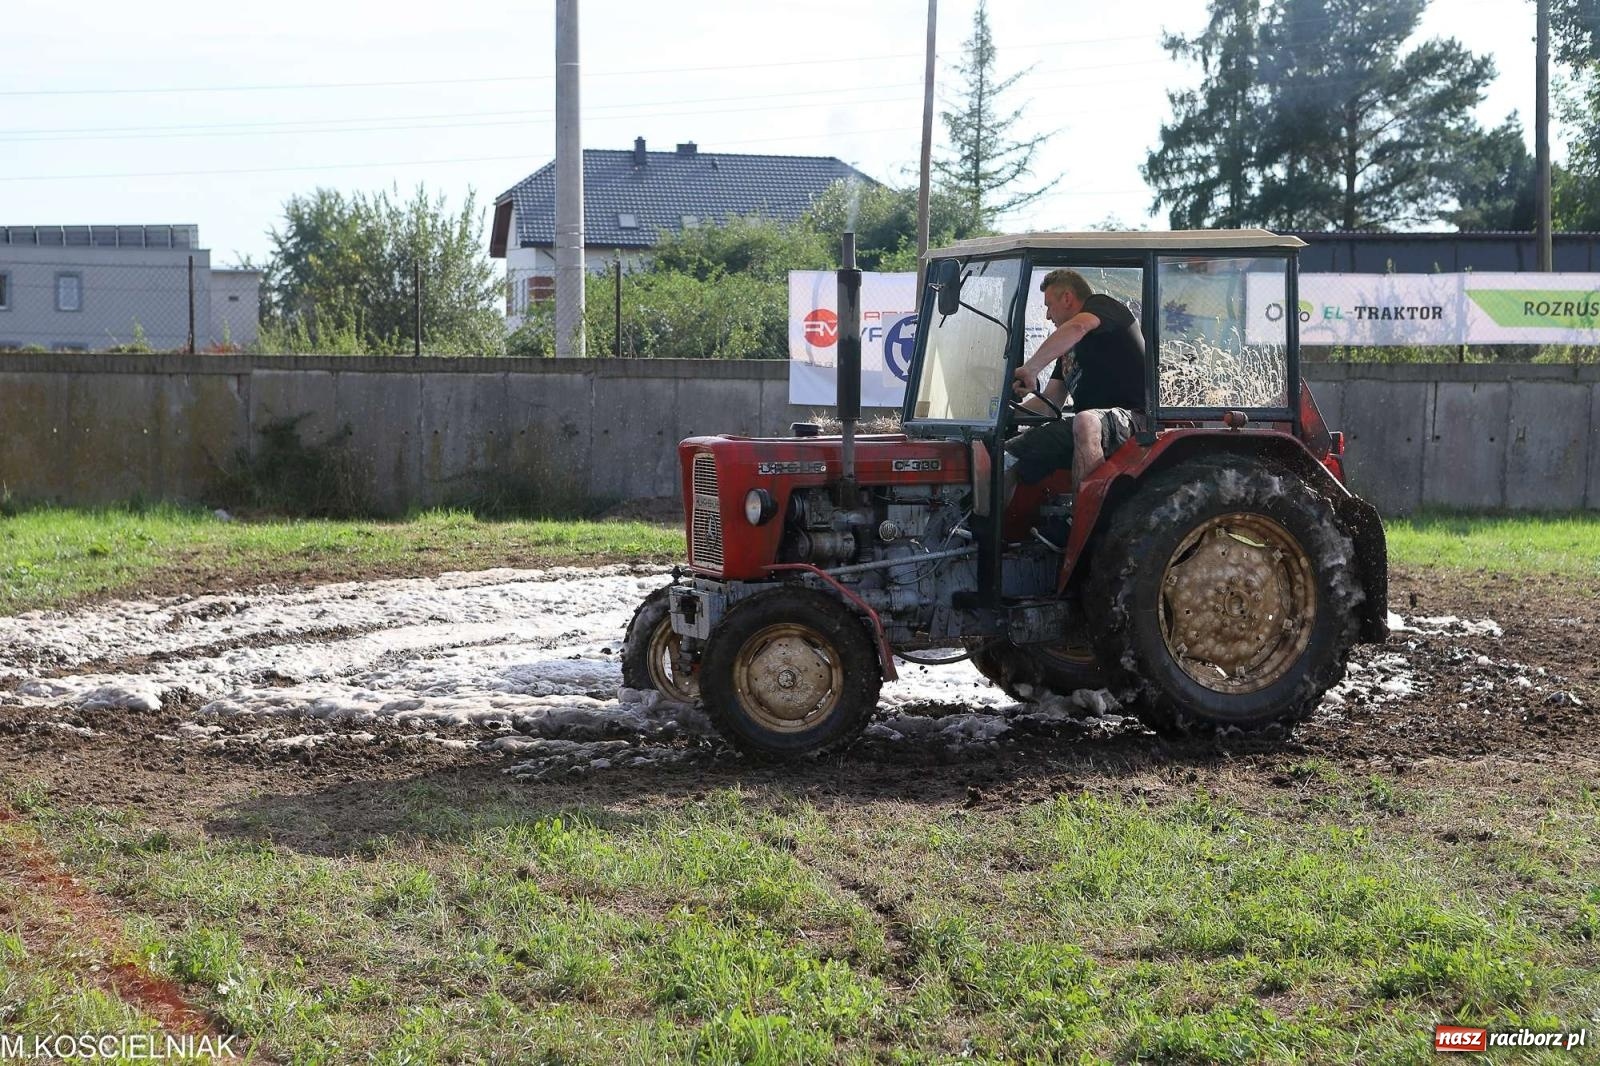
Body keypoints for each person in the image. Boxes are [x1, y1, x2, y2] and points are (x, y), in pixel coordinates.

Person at [1005, 269, 1146, 490]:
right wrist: (1008, 415)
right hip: (1089, 428)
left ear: (1068, 298)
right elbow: (1050, 404)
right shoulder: (1068, 350)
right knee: (1006, 455)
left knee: (1085, 421)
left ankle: (1086, 520)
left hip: (1134, 422)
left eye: (1049, 305)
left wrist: (1031, 369)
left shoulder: (1103, 306)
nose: (1047, 316)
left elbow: (1078, 326)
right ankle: (985, 523)